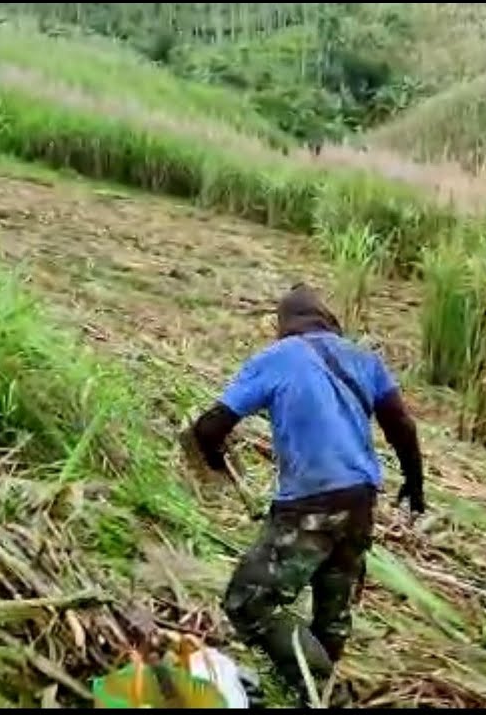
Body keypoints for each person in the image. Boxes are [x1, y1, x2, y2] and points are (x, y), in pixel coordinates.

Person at [182, 283, 424, 707]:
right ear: (328, 319)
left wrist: (216, 461)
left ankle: (328, 696)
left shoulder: (276, 358)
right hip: (361, 502)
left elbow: (208, 428)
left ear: (283, 325)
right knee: (333, 618)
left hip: (310, 504)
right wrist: (415, 483)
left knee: (247, 603)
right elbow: (402, 424)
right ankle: (313, 694)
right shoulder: (364, 358)